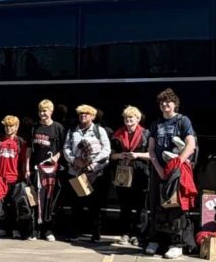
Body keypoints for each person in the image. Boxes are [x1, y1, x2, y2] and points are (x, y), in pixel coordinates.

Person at [146, 88, 198, 260]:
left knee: (176, 207)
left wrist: (177, 163)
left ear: (175, 104)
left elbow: (190, 145)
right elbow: (151, 150)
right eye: (161, 102)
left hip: (176, 172)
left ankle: (176, 244)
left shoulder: (183, 121)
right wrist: (159, 169)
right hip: (158, 171)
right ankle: (155, 241)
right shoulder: (156, 124)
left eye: (168, 101)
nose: (164, 104)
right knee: (155, 205)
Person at [62, 105, 111, 241]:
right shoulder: (72, 131)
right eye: (81, 113)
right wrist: (74, 160)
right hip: (76, 172)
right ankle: (76, 232)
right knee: (76, 204)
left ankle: (96, 233)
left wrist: (92, 165)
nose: (83, 115)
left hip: (94, 174)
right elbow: (66, 148)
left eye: (87, 113)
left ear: (93, 116)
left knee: (95, 205)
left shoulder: (99, 130)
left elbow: (106, 150)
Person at [109, 106, 150, 246]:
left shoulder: (146, 134)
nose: (128, 121)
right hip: (123, 173)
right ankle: (125, 233)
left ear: (138, 119)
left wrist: (137, 155)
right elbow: (111, 155)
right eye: (126, 118)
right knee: (124, 206)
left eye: (131, 118)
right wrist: (119, 155)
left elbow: (152, 155)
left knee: (141, 207)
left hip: (140, 173)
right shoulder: (118, 134)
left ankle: (139, 235)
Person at [28, 99, 66, 241]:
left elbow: (64, 148)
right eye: (40, 111)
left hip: (51, 171)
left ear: (51, 111)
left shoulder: (58, 128)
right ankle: (35, 230)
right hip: (36, 169)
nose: (42, 113)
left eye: (45, 111)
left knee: (49, 201)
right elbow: (29, 149)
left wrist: (56, 157)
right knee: (36, 200)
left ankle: (48, 230)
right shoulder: (34, 127)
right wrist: (27, 167)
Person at [0, 115, 29, 239]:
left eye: (11, 126)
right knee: (0, 206)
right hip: (1, 178)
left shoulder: (20, 142)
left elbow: (23, 161)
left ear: (16, 127)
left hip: (15, 179)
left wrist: (24, 176)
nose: (8, 128)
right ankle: (1, 228)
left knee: (15, 206)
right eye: (6, 126)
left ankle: (15, 229)